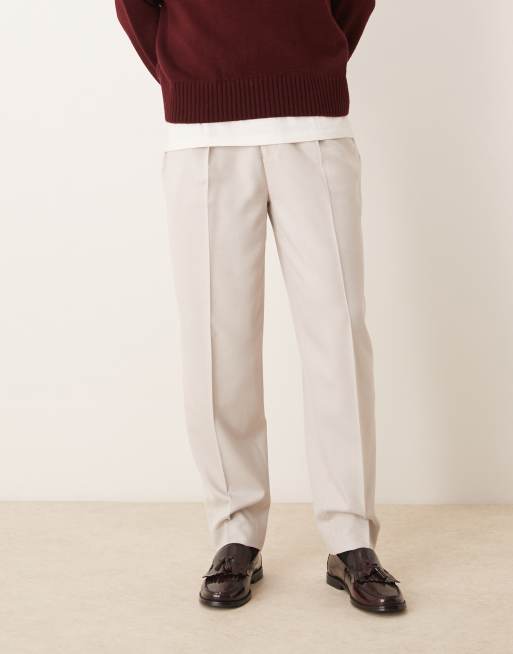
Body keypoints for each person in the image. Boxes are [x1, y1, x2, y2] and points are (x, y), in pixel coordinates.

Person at [115, 0, 406, 613]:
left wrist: (314, 56)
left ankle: (351, 537)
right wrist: (185, 73)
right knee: (216, 340)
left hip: (313, 117)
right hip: (203, 127)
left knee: (338, 335)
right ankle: (235, 532)